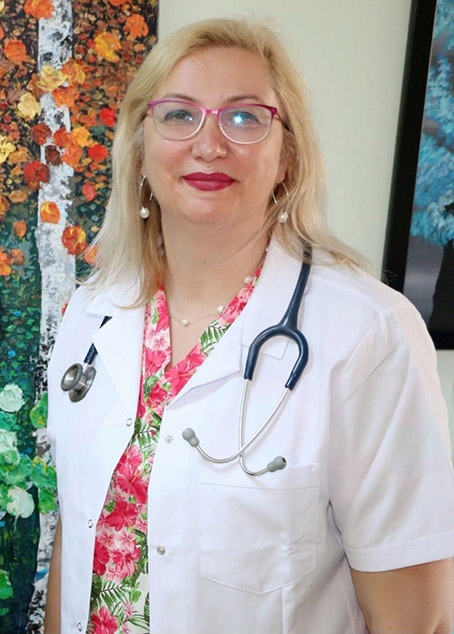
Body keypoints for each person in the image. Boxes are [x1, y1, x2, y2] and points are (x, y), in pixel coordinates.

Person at [44, 17, 454, 634]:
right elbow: (76, 539)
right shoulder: (91, 312)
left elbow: (416, 619)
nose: (209, 145)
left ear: (287, 156)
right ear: (140, 148)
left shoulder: (367, 335)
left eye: (244, 117)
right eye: (179, 114)